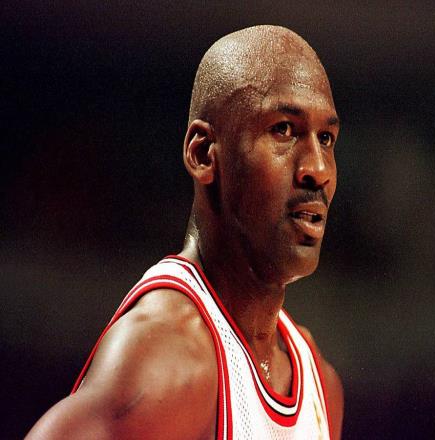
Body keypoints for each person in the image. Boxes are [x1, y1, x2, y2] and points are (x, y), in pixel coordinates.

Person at [27, 25, 343, 439]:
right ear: (203, 154)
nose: (317, 169)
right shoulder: (167, 362)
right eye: (283, 129)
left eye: (326, 138)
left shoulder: (319, 382)